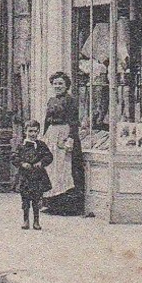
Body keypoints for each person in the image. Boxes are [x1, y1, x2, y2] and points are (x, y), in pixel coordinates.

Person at [41, 71, 87, 216]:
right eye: (55, 84)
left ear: (66, 85)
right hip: (52, 135)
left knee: (64, 169)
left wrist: (71, 139)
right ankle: (51, 203)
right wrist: (44, 137)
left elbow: (74, 122)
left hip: (65, 134)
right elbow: (46, 120)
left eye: (60, 83)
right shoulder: (51, 101)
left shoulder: (70, 100)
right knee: (52, 169)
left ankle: (66, 207)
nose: (57, 86)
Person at [13, 121, 53, 230]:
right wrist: (22, 163)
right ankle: (26, 220)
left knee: (36, 199)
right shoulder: (21, 145)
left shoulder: (41, 145)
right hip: (25, 176)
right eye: (30, 131)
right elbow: (14, 157)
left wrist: (41, 163)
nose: (33, 134)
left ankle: (36, 221)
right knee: (25, 200)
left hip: (37, 177)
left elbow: (49, 156)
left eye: (35, 131)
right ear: (25, 131)